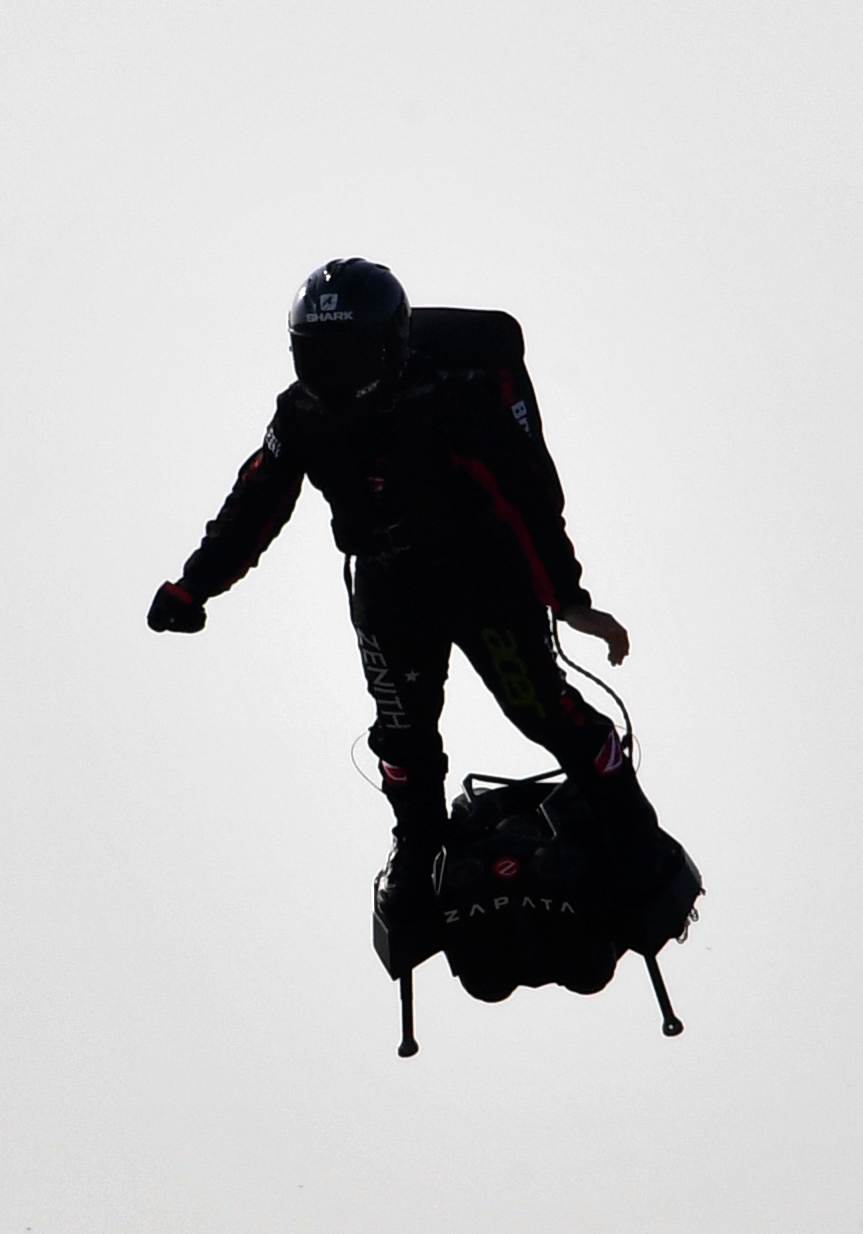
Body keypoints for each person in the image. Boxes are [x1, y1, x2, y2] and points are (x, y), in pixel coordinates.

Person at [146, 260, 645, 919]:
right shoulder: (300, 415)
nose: (333, 376)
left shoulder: (452, 395)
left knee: (537, 707)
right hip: (388, 588)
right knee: (401, 732)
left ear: (391, 348)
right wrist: (194, 585)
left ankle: (625, 818)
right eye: (316, 357)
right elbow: (255, 500)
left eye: (348, 357)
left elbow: (524, 496)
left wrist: (569, 599)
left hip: (482, 576)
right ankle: (418, 845)